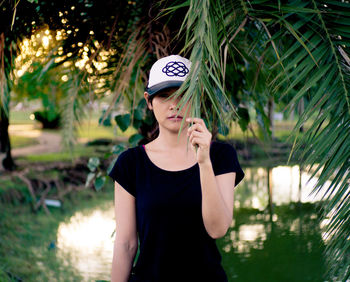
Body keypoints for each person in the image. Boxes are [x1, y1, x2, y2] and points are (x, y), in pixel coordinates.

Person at [108, 55, 245, 282]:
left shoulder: (220, 157)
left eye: (183, 95)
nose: (175, 105)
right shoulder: (131, 163)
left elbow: (218, 228)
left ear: (197, 97)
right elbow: (126, 244)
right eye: (164, 96)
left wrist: (204, 162)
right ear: (149, 101)